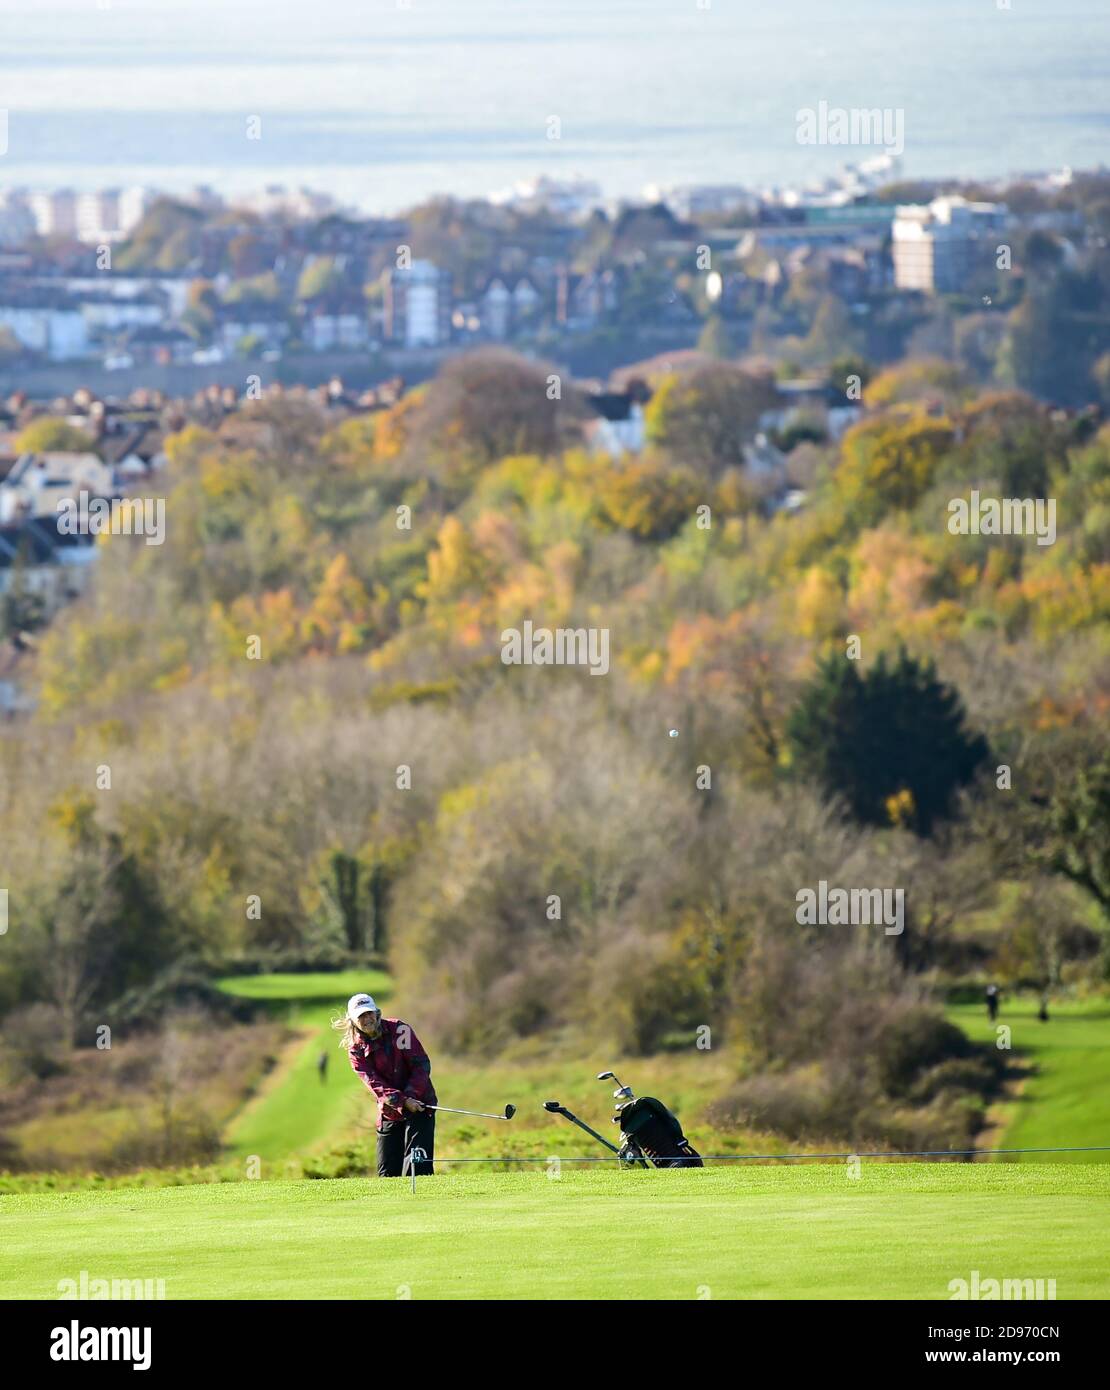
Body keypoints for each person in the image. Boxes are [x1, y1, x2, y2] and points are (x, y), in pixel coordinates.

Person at [334, 992, 437, 1178]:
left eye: (369, 1013)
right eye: (361, 1016)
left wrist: (411, 1096)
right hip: (390, 1110)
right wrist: (403, 1101)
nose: (367, 1019)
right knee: (387, 1174)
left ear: (377, 1013)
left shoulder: (399, 1030)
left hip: (421, 1105)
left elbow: (421, 1064)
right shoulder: (355, 1050)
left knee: (417, 1169)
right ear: (353, 1021)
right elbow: (375, 1084)